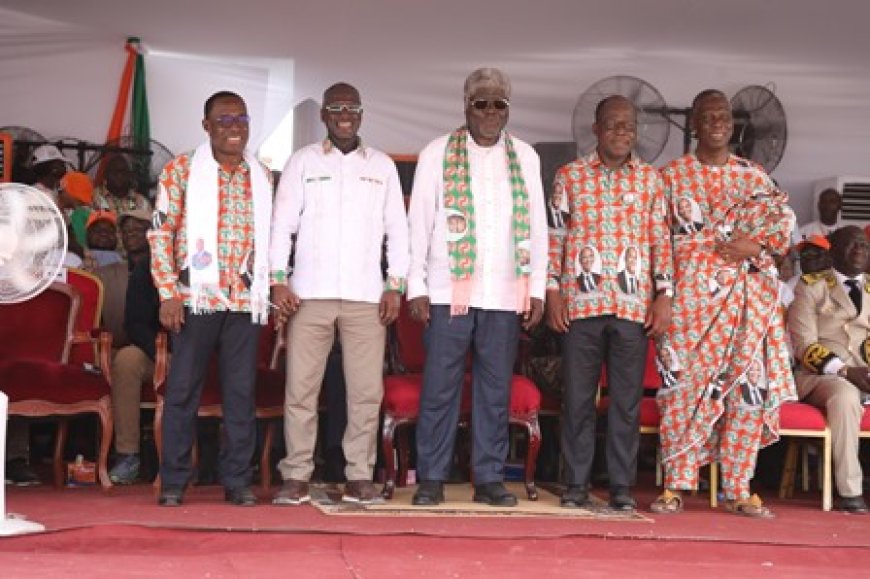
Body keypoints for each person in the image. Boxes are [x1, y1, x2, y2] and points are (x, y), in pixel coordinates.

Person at [651, 89, 796, 518]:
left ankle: (738, 486)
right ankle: (675, 484)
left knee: (747, 390)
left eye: (723, 116)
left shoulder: (755, 176)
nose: (716, 121)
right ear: (693, 124)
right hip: (690, 301)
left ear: (733, 126)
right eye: (707, 115)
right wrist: (661, 294)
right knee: (681, 389)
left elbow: (781, 236)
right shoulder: (671, 176)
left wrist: (756, 245)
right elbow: (658, 240)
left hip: (748, 304)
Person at [407, 68, 547, 508]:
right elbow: (419, 224)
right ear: (465, 105)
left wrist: (537, 287)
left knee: (494, 389)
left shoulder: (525, 156)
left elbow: (539, 226)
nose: (490, 112)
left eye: (498, 104)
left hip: (505, 292)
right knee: (440, 386)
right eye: (481, 103)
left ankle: (489, 477)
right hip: (450, 290)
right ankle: (431, 476)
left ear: (508, 108)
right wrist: (416, 285)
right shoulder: (435, 153)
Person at [269, 82, 409, 506]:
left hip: (367, 295)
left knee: (366, 392)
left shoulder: (381, 165)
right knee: (301, 389)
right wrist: (278, 279)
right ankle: (296, 475)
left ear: (362, 115)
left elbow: (397, 232)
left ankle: (359, 475)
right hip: (309, 292)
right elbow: (283, 224)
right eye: (336, 108)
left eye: (351, 108)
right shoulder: (303, 161)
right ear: (325, 116)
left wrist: (395, 285)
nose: (344, 115)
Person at [546, 95, 673, 511]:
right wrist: (552, 291)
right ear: (596, 129)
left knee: (626, 401)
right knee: (578, 399)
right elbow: (556, 240)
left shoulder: (652, 181)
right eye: (613, 125)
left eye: (628, 126)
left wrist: (663, 296)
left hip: (633, 306)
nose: (621, 132)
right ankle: (576, 485)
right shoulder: (571, 176)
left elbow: (661, 241)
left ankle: (621, 487)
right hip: (580, 306)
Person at [148, 90, 273, 507]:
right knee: (183, 391)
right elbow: (161, 233)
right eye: (224, 120)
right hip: (195, 298)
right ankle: (174, 481)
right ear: (206, 126)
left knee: (241, 394)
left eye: (241, 119)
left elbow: (272, 241)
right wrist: (168, 292)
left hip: (243, 302)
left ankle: (237, 480)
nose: (234, 128)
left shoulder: (263, 175)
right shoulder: (180, 170)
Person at [789, 225, 870, 514]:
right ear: (833, 250)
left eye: (863, 245)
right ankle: (851, 491)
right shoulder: (811, 286)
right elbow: (804, 345)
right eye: (851, 244)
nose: (859, 249)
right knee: (846, 395)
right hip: (821, 376)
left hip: (866, 375)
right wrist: (847, 372)